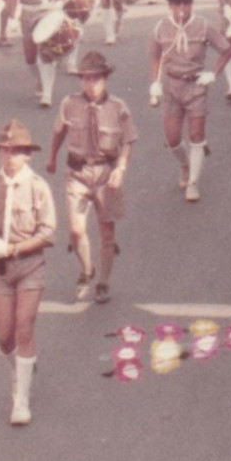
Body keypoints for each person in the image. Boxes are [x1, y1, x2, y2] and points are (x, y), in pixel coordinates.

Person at [0, 120, 59, 426]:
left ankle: (21, 400)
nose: (8, 157)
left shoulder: (37, 187)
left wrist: (14, 250)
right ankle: (19, 368)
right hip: (0, 270)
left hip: (29, 265)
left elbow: (48, 234)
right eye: (4, 150)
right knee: (5, 337)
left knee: (24, 328)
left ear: (27, 155)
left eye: (15, 151)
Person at [46, 50, 135, 304]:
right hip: (77, 173)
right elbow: (58, 132)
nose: (90, 84)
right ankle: (86, 269)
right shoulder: (69, 103)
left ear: (106, 78)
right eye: (85, 78)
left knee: (106, 231)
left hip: (106, 173)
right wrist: (51, 156)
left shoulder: (118, 107)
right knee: (75, 230)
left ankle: (103, 281)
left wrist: (120, 168)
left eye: (96, 78)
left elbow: (128, 141)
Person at [146, 0, 231, 202]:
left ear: (191, 5)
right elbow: (155, 56)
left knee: (196, 136)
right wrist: (154, 83)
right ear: (170, 6)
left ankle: (193, 183)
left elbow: (227, 49)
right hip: (171, 86)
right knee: (173, 138)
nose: (182, 9)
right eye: (177, 4)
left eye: (186, 4)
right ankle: (185, 166)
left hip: (195, 85)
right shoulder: (160, 28)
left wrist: (213, 74)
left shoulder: (203, 26)